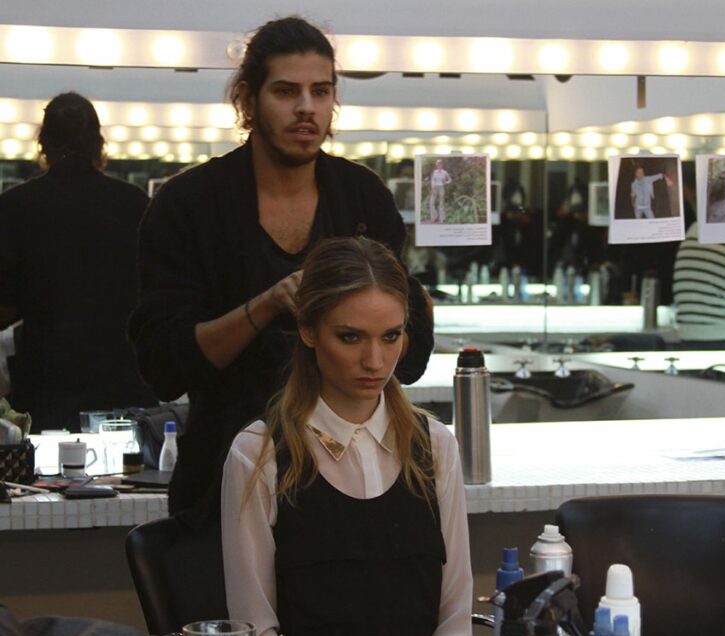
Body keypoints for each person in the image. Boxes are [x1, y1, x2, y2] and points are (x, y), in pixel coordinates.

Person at [129, 16, 433, 516]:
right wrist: (265, 306)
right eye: (286, 91)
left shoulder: (362, 198)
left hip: (353, 476)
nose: (306, 108)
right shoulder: (189, 205)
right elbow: (164, 365)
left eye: (321, 91)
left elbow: (411, 355)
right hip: (223, 476)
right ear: (247, 100)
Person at [221, 237, 471, 636]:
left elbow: (454, 619)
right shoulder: (258, 453)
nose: (375, 361)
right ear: (308, 330)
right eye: (350, 337)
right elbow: (256, 634)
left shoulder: (434, 445)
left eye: (391, 337)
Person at [0, 92, 156, 431]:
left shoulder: (15, 207)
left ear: (43, 145)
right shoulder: (134, 204)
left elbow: (5, 305)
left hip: (45, 381)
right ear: (99, 145)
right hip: (123, 379)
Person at [428, 159, 452, 223]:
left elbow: (450, 180)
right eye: (438, 164)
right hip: (435, 188)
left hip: (441, 188)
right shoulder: (434, 172)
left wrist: (446, 182)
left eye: (440, 164)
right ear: (436, 165)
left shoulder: (445, 172)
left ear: (442, 165)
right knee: (431, 203)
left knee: (441, 203)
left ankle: (442, 218)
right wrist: (433, 189)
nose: (439, 165)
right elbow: (432, 181)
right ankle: (434, 217)